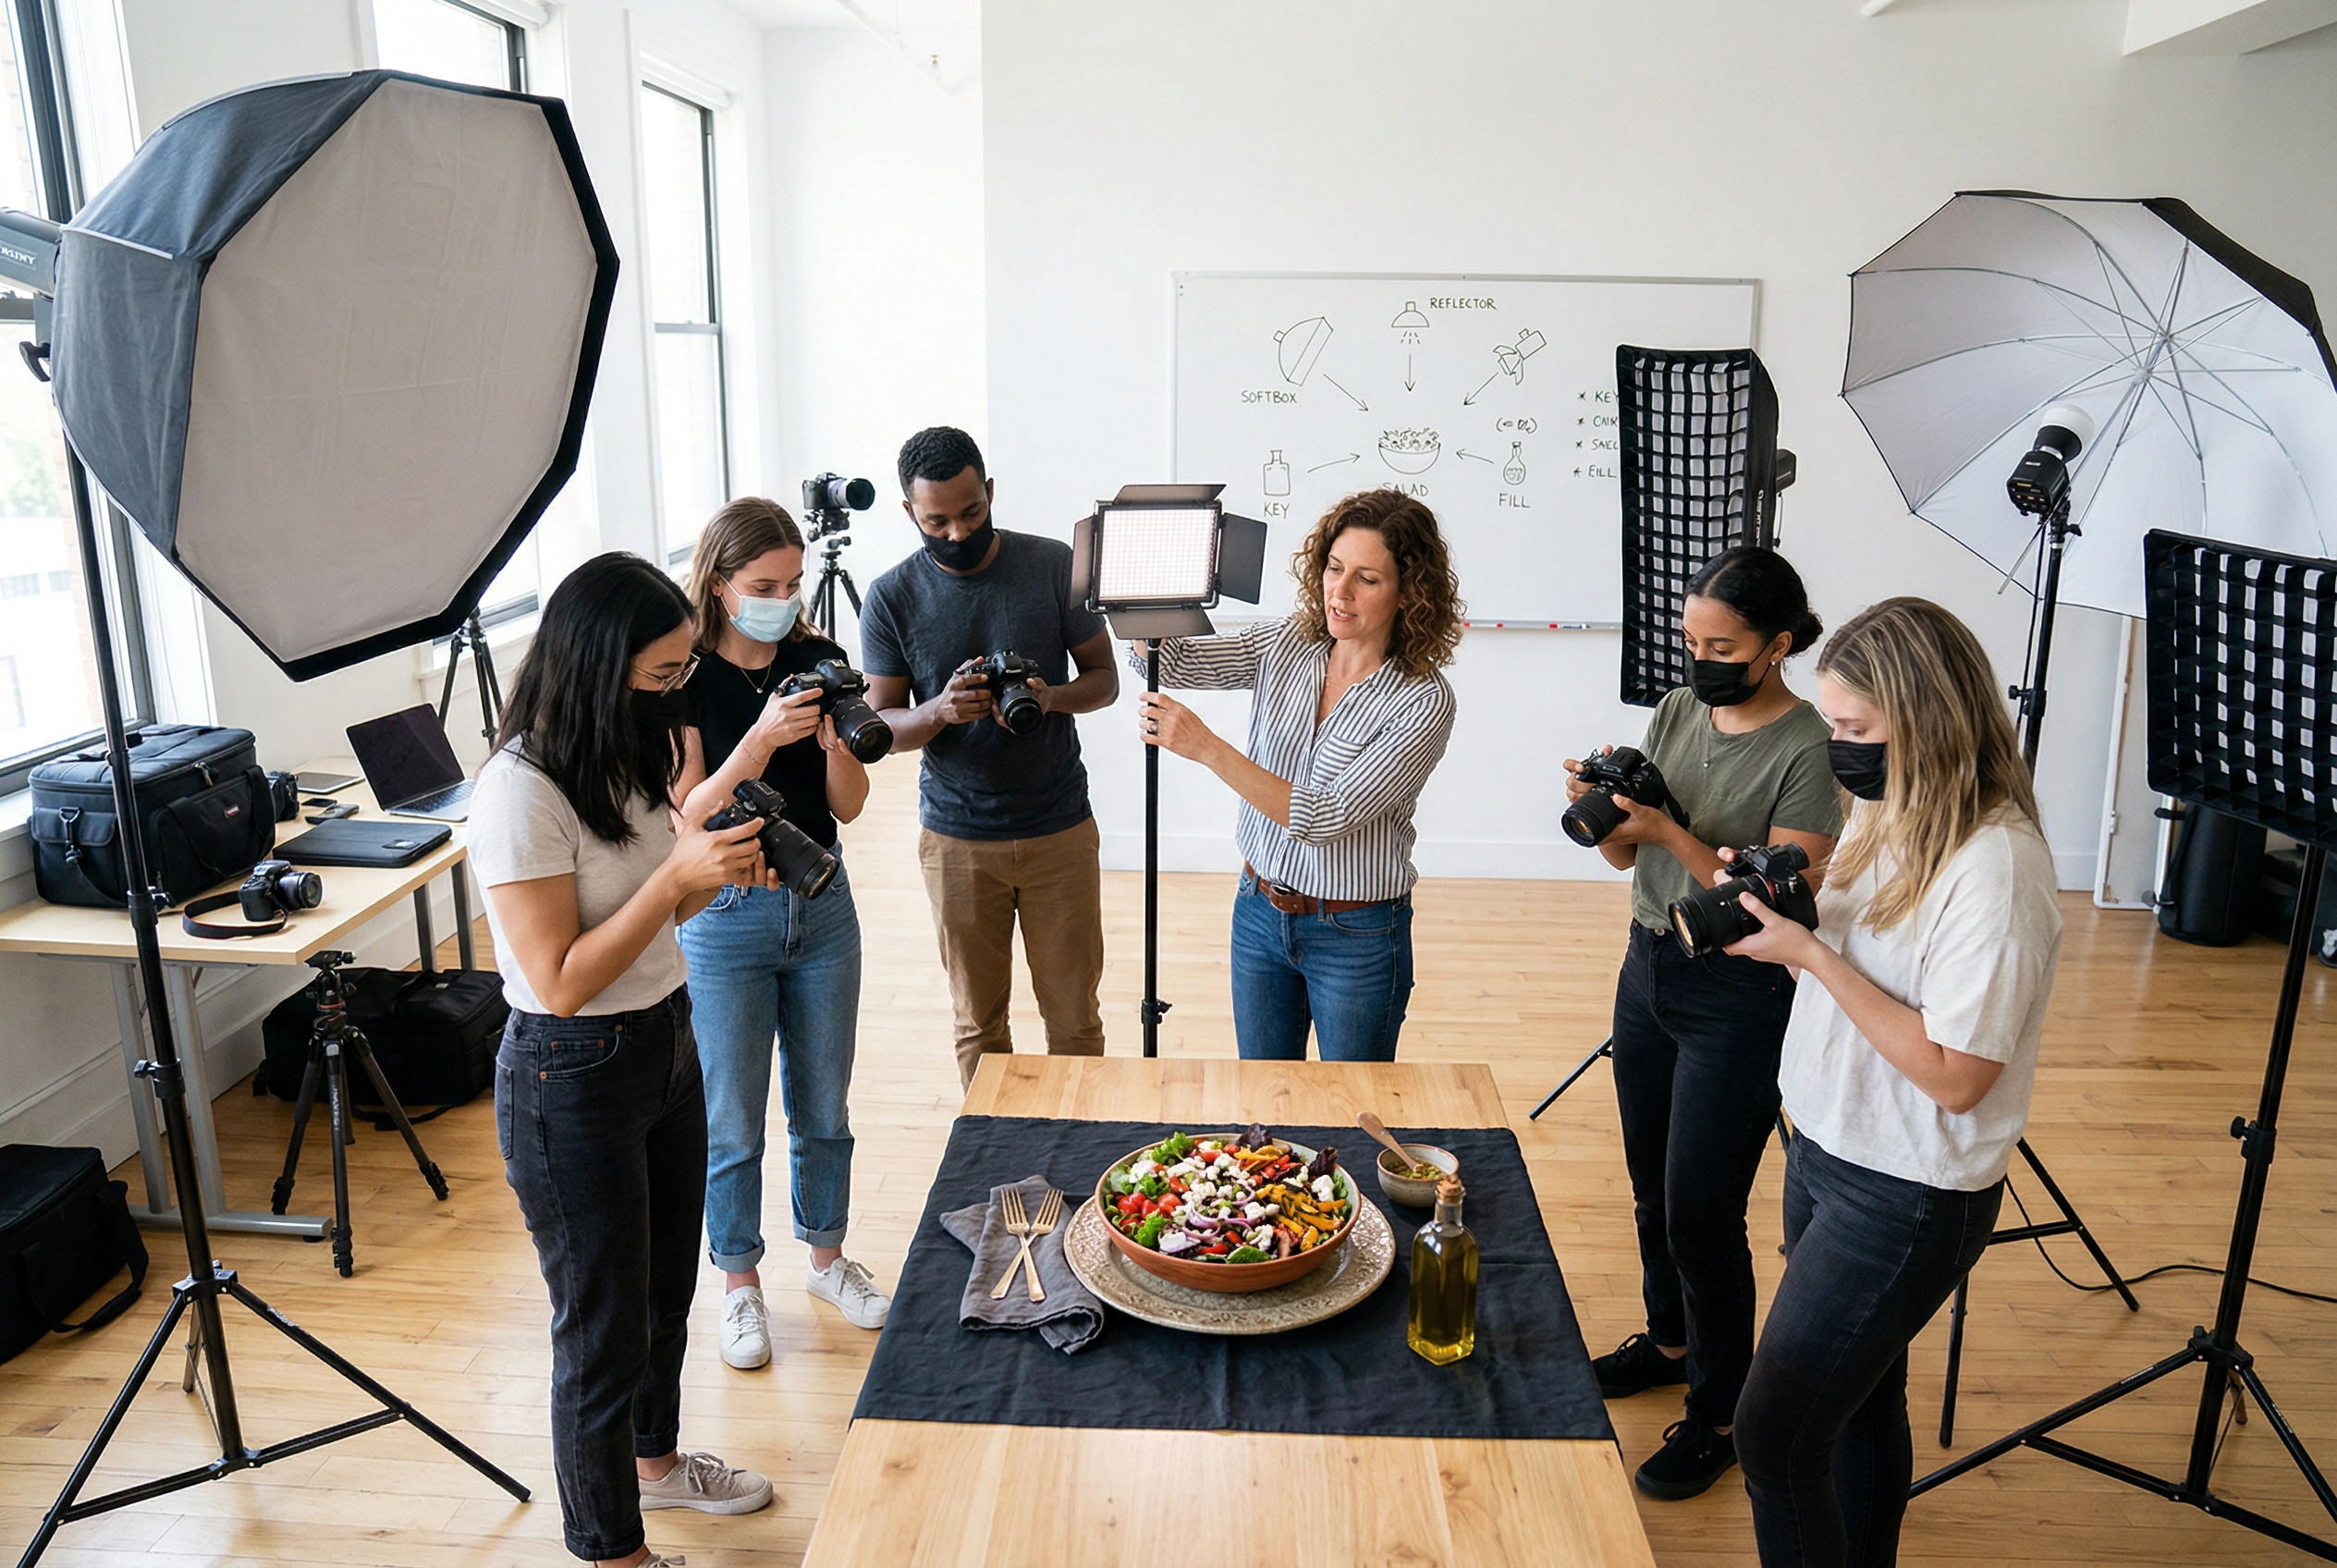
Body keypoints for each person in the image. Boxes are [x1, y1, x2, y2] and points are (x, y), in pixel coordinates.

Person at [1727, 596, 2062, 1568]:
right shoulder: (1887, 805)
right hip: (1827, 1143)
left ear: (1921, 719)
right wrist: (1773, 918)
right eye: (1834, 725)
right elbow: (1832, 952)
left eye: (1852, 729)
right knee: (1862, 1399)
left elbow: (1956, 1078)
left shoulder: (1995, 867)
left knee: (1772, 1433)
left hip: (1908, 1189)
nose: (1837, 746)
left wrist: (1811, 955)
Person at [471, 553, 773, 1568]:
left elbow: (655, 913)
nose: (677, 690)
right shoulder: (517, 791)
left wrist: (712, 873)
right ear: (598, 665)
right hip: (571, 1073)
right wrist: (674, 879)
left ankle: (655, 1462)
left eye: (682, 668)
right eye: (661, 673)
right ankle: (611, 1552)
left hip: (664, 1037)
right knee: (599, 1331)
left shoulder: (626, 751)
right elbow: (557, 977)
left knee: (660, 1297)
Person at [1562, 545, 1841, 1502]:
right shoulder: (1679, 708)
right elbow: (1622, 868)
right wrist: (1606, 820)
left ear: (1776, 645)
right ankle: (1671, 1338)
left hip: (1737, 992)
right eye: (1689, 638)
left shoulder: (1810, 748)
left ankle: (1719, 1412)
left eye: (1719, 644)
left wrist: (1667, 830)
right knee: (1649, 1182)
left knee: (1700, 1211)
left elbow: (1775, 899)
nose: (1697, 659)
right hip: (1647, 963)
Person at [670, 498, 890, 1372]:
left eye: (794, 582)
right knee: (732, 1119)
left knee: (824, 1103)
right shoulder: (683, 676)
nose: (784, 598)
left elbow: (848, 806)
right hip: (726, 916)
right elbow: (689, 811)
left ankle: (828, 1261)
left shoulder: (820, 658)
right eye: (764, 586)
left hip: (822, 903)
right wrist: (760, 741)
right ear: (720, 585)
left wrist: (839, 742)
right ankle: (737, 1286)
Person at [1136, 487, 1462, 1061]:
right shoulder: (1290, 641)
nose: (1339, 592)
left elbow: (1324, 815)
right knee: (1263, 1104)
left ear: (1409, 592)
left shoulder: (1422, 700)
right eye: (1334, 568)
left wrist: (1208, 748)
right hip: (1258, 913)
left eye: (1366, 578)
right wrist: (1144, 593)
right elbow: (1181, 661)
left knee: (1349, 1108)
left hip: (1356, 936)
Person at [859, 426, 1121, 1089]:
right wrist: (937, 711)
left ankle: (1082, 1154)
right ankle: (990, 1166)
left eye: (972, 512)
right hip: (956, 839)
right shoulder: (892, 596)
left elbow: (1105, 680)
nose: (955, 533)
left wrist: (1050, 697)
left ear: (991, 491)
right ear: (908, 514)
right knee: (979, 1026)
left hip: (1058, 828)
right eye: (936, 520)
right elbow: (879, 725)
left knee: (1075, 1022)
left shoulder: (1053, 565)